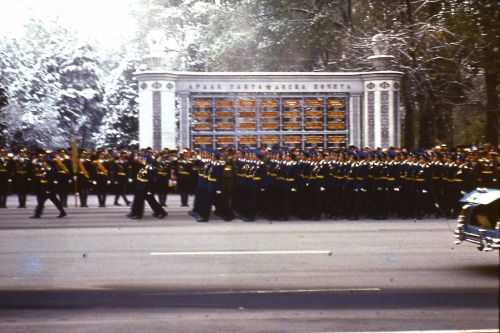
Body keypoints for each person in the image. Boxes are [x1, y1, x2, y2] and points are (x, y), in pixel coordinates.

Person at [128, 154, 167, 220]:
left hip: (146, 187)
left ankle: (138, 214)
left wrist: (150, 190)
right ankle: (135, 213)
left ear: (146, 160)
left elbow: (151, 180)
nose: (140, 159)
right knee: (143, 200)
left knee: (141, 201)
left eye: (142, 159)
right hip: (141, 186)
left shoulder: (150, 168)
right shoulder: (144, 166)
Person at [30, 152, 66, 218]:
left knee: (45, 201)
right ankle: (62, 212)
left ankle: (37, 214)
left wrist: (48, 188)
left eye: (46, 163)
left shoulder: (50, 170)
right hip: (45, 187)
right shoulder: (46, 169)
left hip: (48, 187)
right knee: (51, 200)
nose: (45, 163)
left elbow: (50, 179)